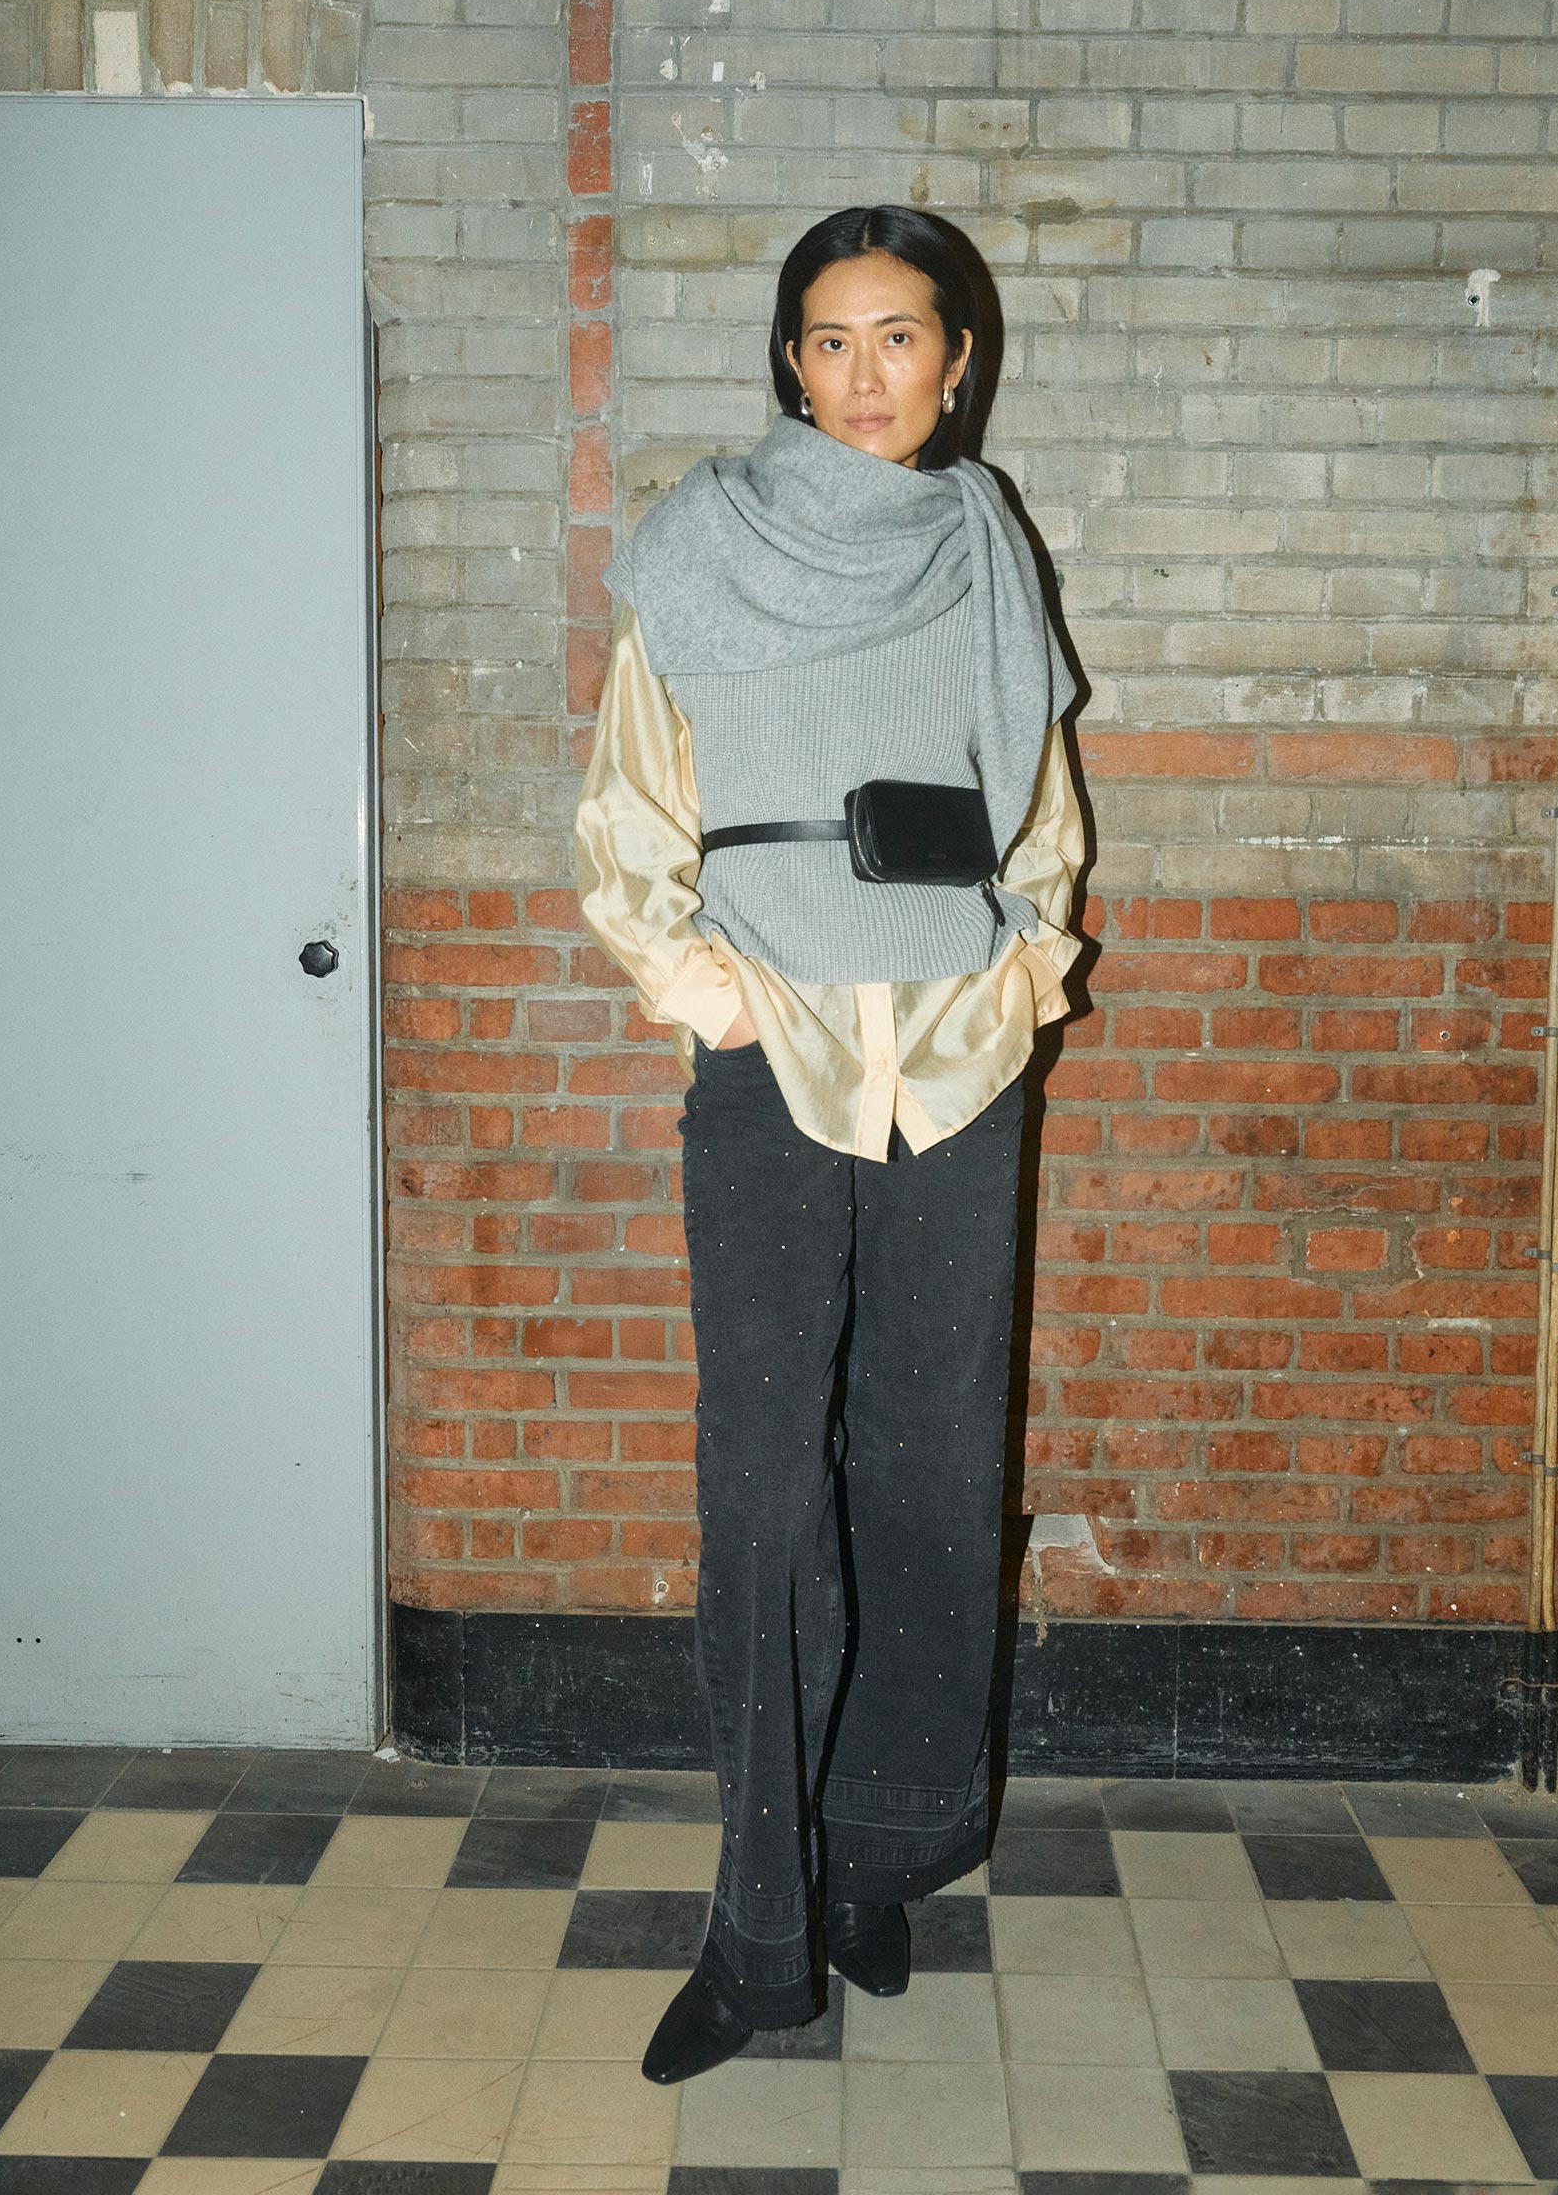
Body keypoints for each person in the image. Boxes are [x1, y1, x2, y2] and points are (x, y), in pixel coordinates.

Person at [573, 203, 1085, 2083]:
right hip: (770, 1046)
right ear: (788, 363)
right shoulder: (700, 540)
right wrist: (694, 984)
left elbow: (1039, 803)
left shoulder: (982, 537)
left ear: (958, 360)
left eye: (901, 337)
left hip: (958, 1049)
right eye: (830, 339)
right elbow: (630, 800)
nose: (867, 375)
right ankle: (758, 1930)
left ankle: (878, 1854)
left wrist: (1026, 967)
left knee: (937, 1471)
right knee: (767, 1494)